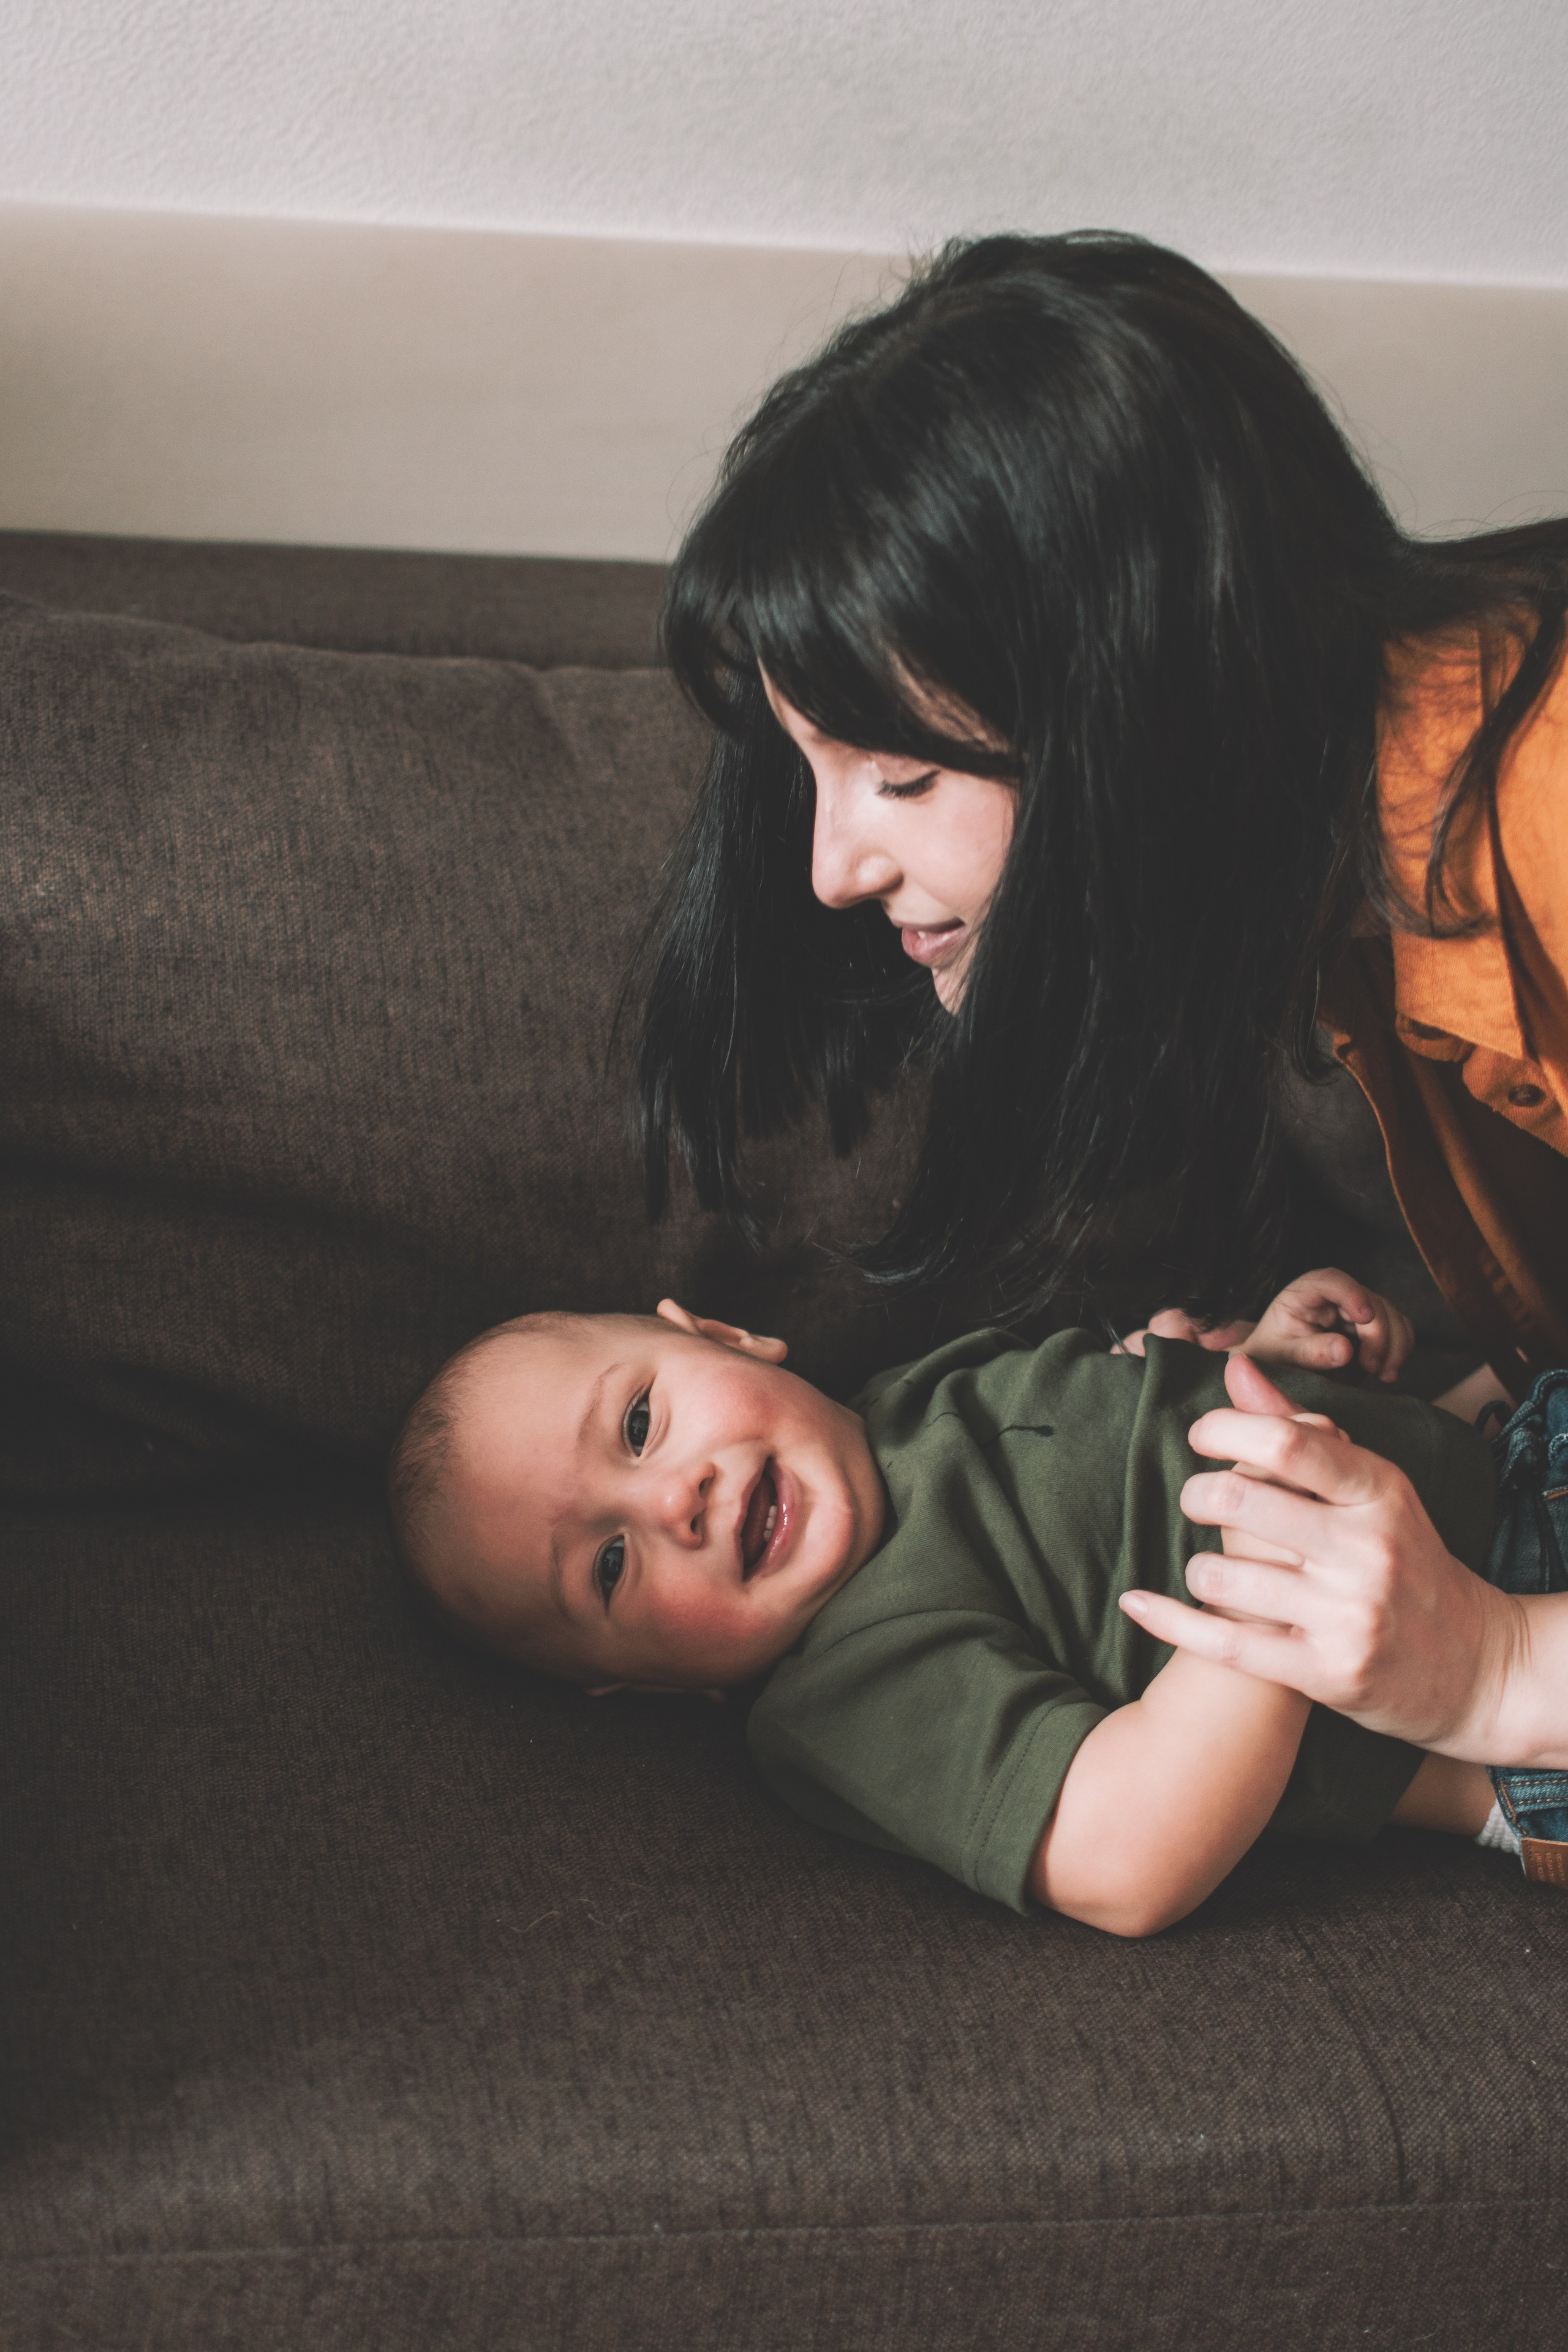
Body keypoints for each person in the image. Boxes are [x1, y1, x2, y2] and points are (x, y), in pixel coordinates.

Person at [631, 230, 1568, 1781]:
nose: (829, 869)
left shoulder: (1539, 811)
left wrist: (1499, 1666)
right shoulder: (1338, 927)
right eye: (814, 775)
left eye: (901, 775)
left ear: (1140, 706)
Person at [388, 1268, 1567, 1937]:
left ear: (727, 1337)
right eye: (610, 1567)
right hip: (1509, 1734)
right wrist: (1263, 1566)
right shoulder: (849, 1687)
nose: (671, 1503)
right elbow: (1126, 1855)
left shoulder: (914, 1397)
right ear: (648, 1682)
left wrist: (1260, 1371)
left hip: (1510, 1457)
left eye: (640, 1422)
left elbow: (1131, 1474)